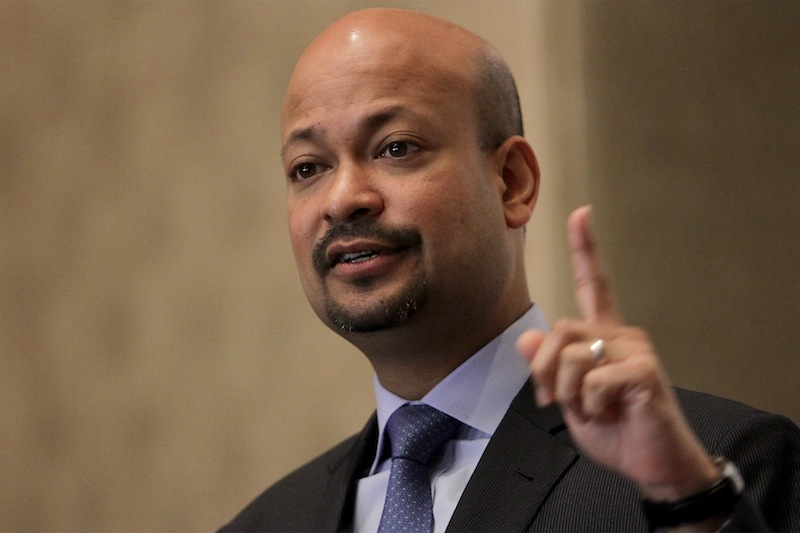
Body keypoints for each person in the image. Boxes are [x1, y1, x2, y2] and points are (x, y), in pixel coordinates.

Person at [221, 8, 800, 532]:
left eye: (396, 148)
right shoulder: (266, 523)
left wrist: (686, 501)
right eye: (307, 168)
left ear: (512, 182)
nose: (343, 197)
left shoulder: (720, 467)